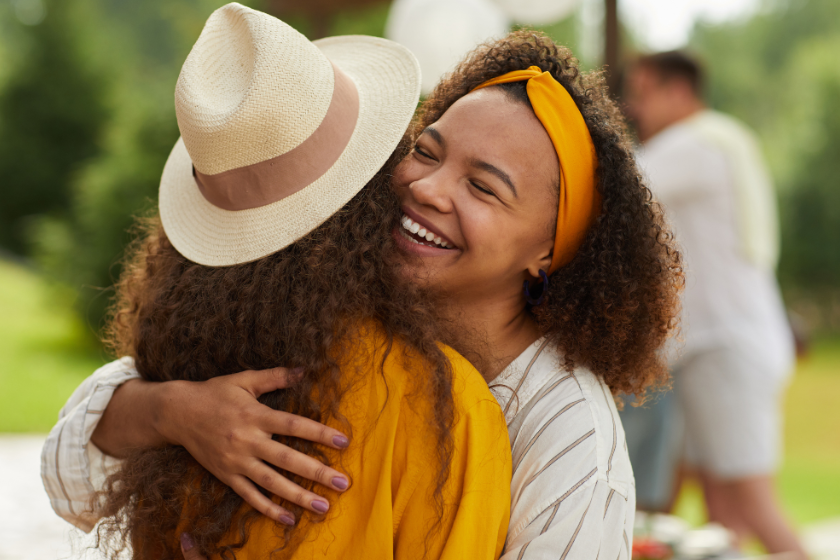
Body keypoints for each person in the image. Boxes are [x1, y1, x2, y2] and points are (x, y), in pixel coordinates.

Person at [42, 28, 685, 559]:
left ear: (549, 248)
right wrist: (175, 413)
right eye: (426, 153)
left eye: (484, 188)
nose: (430, 190)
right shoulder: (324, 315)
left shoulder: (568, 427)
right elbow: (68, 472)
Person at [623, 51, 806, 557]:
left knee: (756, 510)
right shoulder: (726, 139)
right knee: (724, 522)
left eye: (642, 93)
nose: (633, 108)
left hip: (725, 350)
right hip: (722, 349)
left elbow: (617, 187)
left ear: (678, 92)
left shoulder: (695, 144)